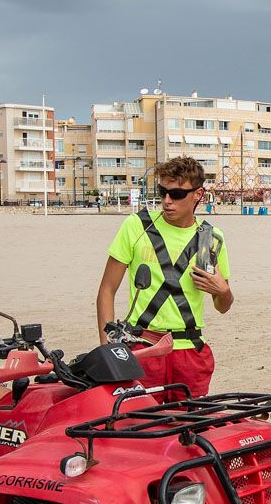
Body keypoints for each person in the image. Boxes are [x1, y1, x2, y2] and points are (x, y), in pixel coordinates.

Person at [94, 157, 233, 396]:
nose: (167, 201)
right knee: (139, 427)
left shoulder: (209, 238)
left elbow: (222, 306)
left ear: (198, 194)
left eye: (177, 194)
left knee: (189, 427)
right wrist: (108, 350)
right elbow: (106, 290)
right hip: (142, 349)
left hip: (190, 354)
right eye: (162, 192)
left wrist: (224, 292)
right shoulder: (137, 227)